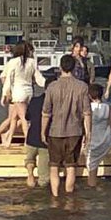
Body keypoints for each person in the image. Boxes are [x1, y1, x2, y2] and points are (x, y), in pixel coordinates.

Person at [41, 54, 91, 196]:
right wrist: (89, 133)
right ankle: (69, 196)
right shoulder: (82, 87)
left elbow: (46, 113)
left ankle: (55, 196)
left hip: (55, 131)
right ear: (74, 68)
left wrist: (42, 131)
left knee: (54, 167)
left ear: (60, 67)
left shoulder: (51, 87)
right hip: (75, 131)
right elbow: (87, 113)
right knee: (71, 167)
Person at [0, 41, 46, 148]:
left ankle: (27, 141)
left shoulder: (13, 62)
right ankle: (8, 140)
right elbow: (39, 78)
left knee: (23, 118)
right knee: (13, 118)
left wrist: (4, 94)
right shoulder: (32, 62)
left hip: (18, 92)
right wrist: (48, 84)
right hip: (29, 91)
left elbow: (8, 79)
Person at [23, 77, 54, 188]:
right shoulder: (54, 104)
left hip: (31, 137)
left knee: (30, 159)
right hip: (45, 140)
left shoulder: (34, 100)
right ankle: (43, 195)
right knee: (44, 175)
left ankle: (30, 175)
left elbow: (27, 117)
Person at [87, 83, 111, 187]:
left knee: (91, 167)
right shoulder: (108, 107)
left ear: (89, 96)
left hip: (92, 140)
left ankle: (92, 188)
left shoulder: (88, 108)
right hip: (105, 141)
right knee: (94, 164)